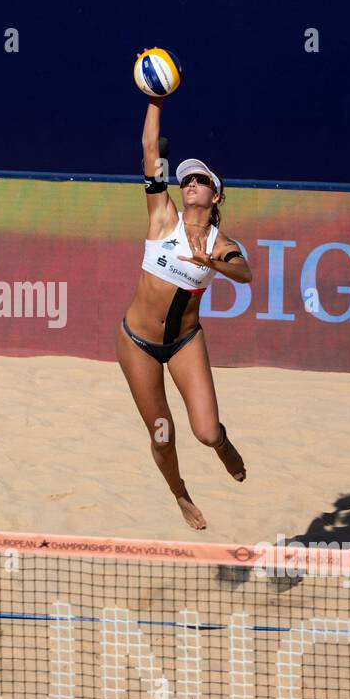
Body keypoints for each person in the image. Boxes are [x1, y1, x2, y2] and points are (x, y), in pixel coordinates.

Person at [115, 94, 251, 531]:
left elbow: (244, 273)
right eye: (187, 178)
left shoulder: (220, 243)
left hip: (184, 342)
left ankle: (223, 444)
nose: (190, 182)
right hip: (137, 343)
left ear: (216, 195)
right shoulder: (162, 216)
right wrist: (155, 99)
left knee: (207, 432)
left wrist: (208, 262)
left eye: (200, 179)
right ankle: (180, 493)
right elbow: (151, 149)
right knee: (162, 434)